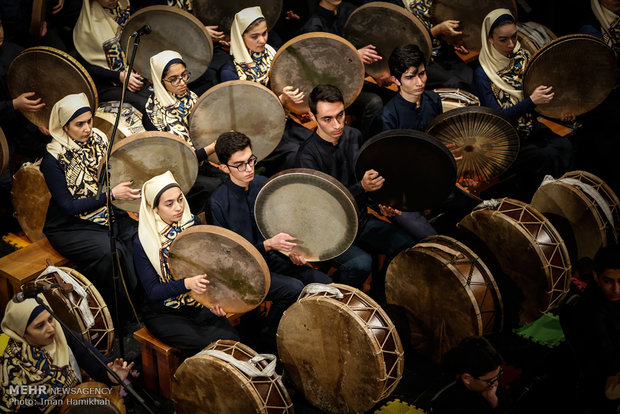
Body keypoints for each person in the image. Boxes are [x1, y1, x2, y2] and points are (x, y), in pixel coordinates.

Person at [210, 131, 331, 349]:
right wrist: (267, 245)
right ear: (224, 168)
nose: (249, 169)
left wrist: (293, 252)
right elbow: (227, 258)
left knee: (325, 284)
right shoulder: (217, 203)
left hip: (273, 260)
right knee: (293, 288)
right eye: (240, 165)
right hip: (243, 273)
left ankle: (298, 335)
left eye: (250, 161)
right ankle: (268, 339)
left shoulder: (263, 184)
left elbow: (281, 226)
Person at [295, 84, 416, 295]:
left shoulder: (354, 136)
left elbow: (366, 188)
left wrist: (381, 206)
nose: (337, 124)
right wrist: (361, 187)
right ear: (313, 117)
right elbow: (324, 206)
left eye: (340, 115)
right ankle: (337, 302)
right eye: (327, 119)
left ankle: (380, 295)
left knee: (404, 243)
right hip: (328, 232)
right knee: (360, 263)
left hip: (360, 220)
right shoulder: (306, 156)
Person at [40, 93, 140, 312]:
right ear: (64, 127)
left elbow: (113, 176)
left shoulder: (98, 138)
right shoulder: (52, 159)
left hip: (103, 209)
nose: (86, 128)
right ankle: (116, 310)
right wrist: (111, 196)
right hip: (68, 225)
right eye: (79, 124)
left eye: (89, 121)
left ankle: (140, 302)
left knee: (135, 235)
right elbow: (68, 206)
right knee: (108, 250)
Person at [133, 171, 239, 357]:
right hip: (164, 312)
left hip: (197, 302)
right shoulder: (142, 241)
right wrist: (186, 284)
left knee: (232, 340)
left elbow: (208, 268)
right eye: (169, 203)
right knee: (210, 348)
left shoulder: (192, 224)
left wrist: (213, 300)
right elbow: (153, 291)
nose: (178, 207)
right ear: (155, 209)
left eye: (180, 199)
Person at [474, 9, 574, 200]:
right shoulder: (482, 73)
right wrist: (530, 102)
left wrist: (559, 112)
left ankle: (566, 200)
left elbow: (543, 96)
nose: (511, 44)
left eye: (514, 37)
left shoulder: (524, 57)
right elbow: (497, 118)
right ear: (490, 40)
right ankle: (545, 202)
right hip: (508, 142)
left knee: (565, 146)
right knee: (546, 156)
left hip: (532, 129)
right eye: (503, 39)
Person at [0, 295, 133, 412]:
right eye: (40, 326)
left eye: (50, 318)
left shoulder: (60, 332)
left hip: (76, 401)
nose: (51, 327)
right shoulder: (13, 365)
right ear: (22, 333)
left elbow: (91, 360)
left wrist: (111, 374)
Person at [143, 50, 227, 214]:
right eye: (173, 79)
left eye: (184, 75)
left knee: (230, 177)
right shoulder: (152, 116)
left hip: (202, 161)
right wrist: (210, 149)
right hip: (179, 175)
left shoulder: (190, 97)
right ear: (160, 82)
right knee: (215, 187)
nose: (182, 83)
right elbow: (177, 163)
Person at [560, 245, 620, 413]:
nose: (616, 289)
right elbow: (608, 363)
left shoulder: (613, 295)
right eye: (608, 281)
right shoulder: (588, 313)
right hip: (600, 377)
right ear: (595, 276)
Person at [73, 0, 149, 113]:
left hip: (135, 74)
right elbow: (85, 68)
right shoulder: (86, 28)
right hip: (108, 84)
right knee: (146, 104)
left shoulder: (125, 8)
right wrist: (118, 76)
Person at [219, 6, 303, 107]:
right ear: (241, 38)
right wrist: (281, 100)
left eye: (264, 33)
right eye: (255, 36)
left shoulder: (274, 53)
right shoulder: (229, 72)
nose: (262, 40)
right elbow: (246, 110)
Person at [401, 0, 474, 91]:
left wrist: (454, 42)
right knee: (455, 83)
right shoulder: (395, 4)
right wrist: (437, 30)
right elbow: (405, 44)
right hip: (420, 62)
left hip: (442, 53)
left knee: (471, 77)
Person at [431, 336, 514, 413]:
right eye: (490, 381)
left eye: (499, 374)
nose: (496, 383)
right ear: (467, 378)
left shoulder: (490, 383)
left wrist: (493, 400)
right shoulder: (451, 405)